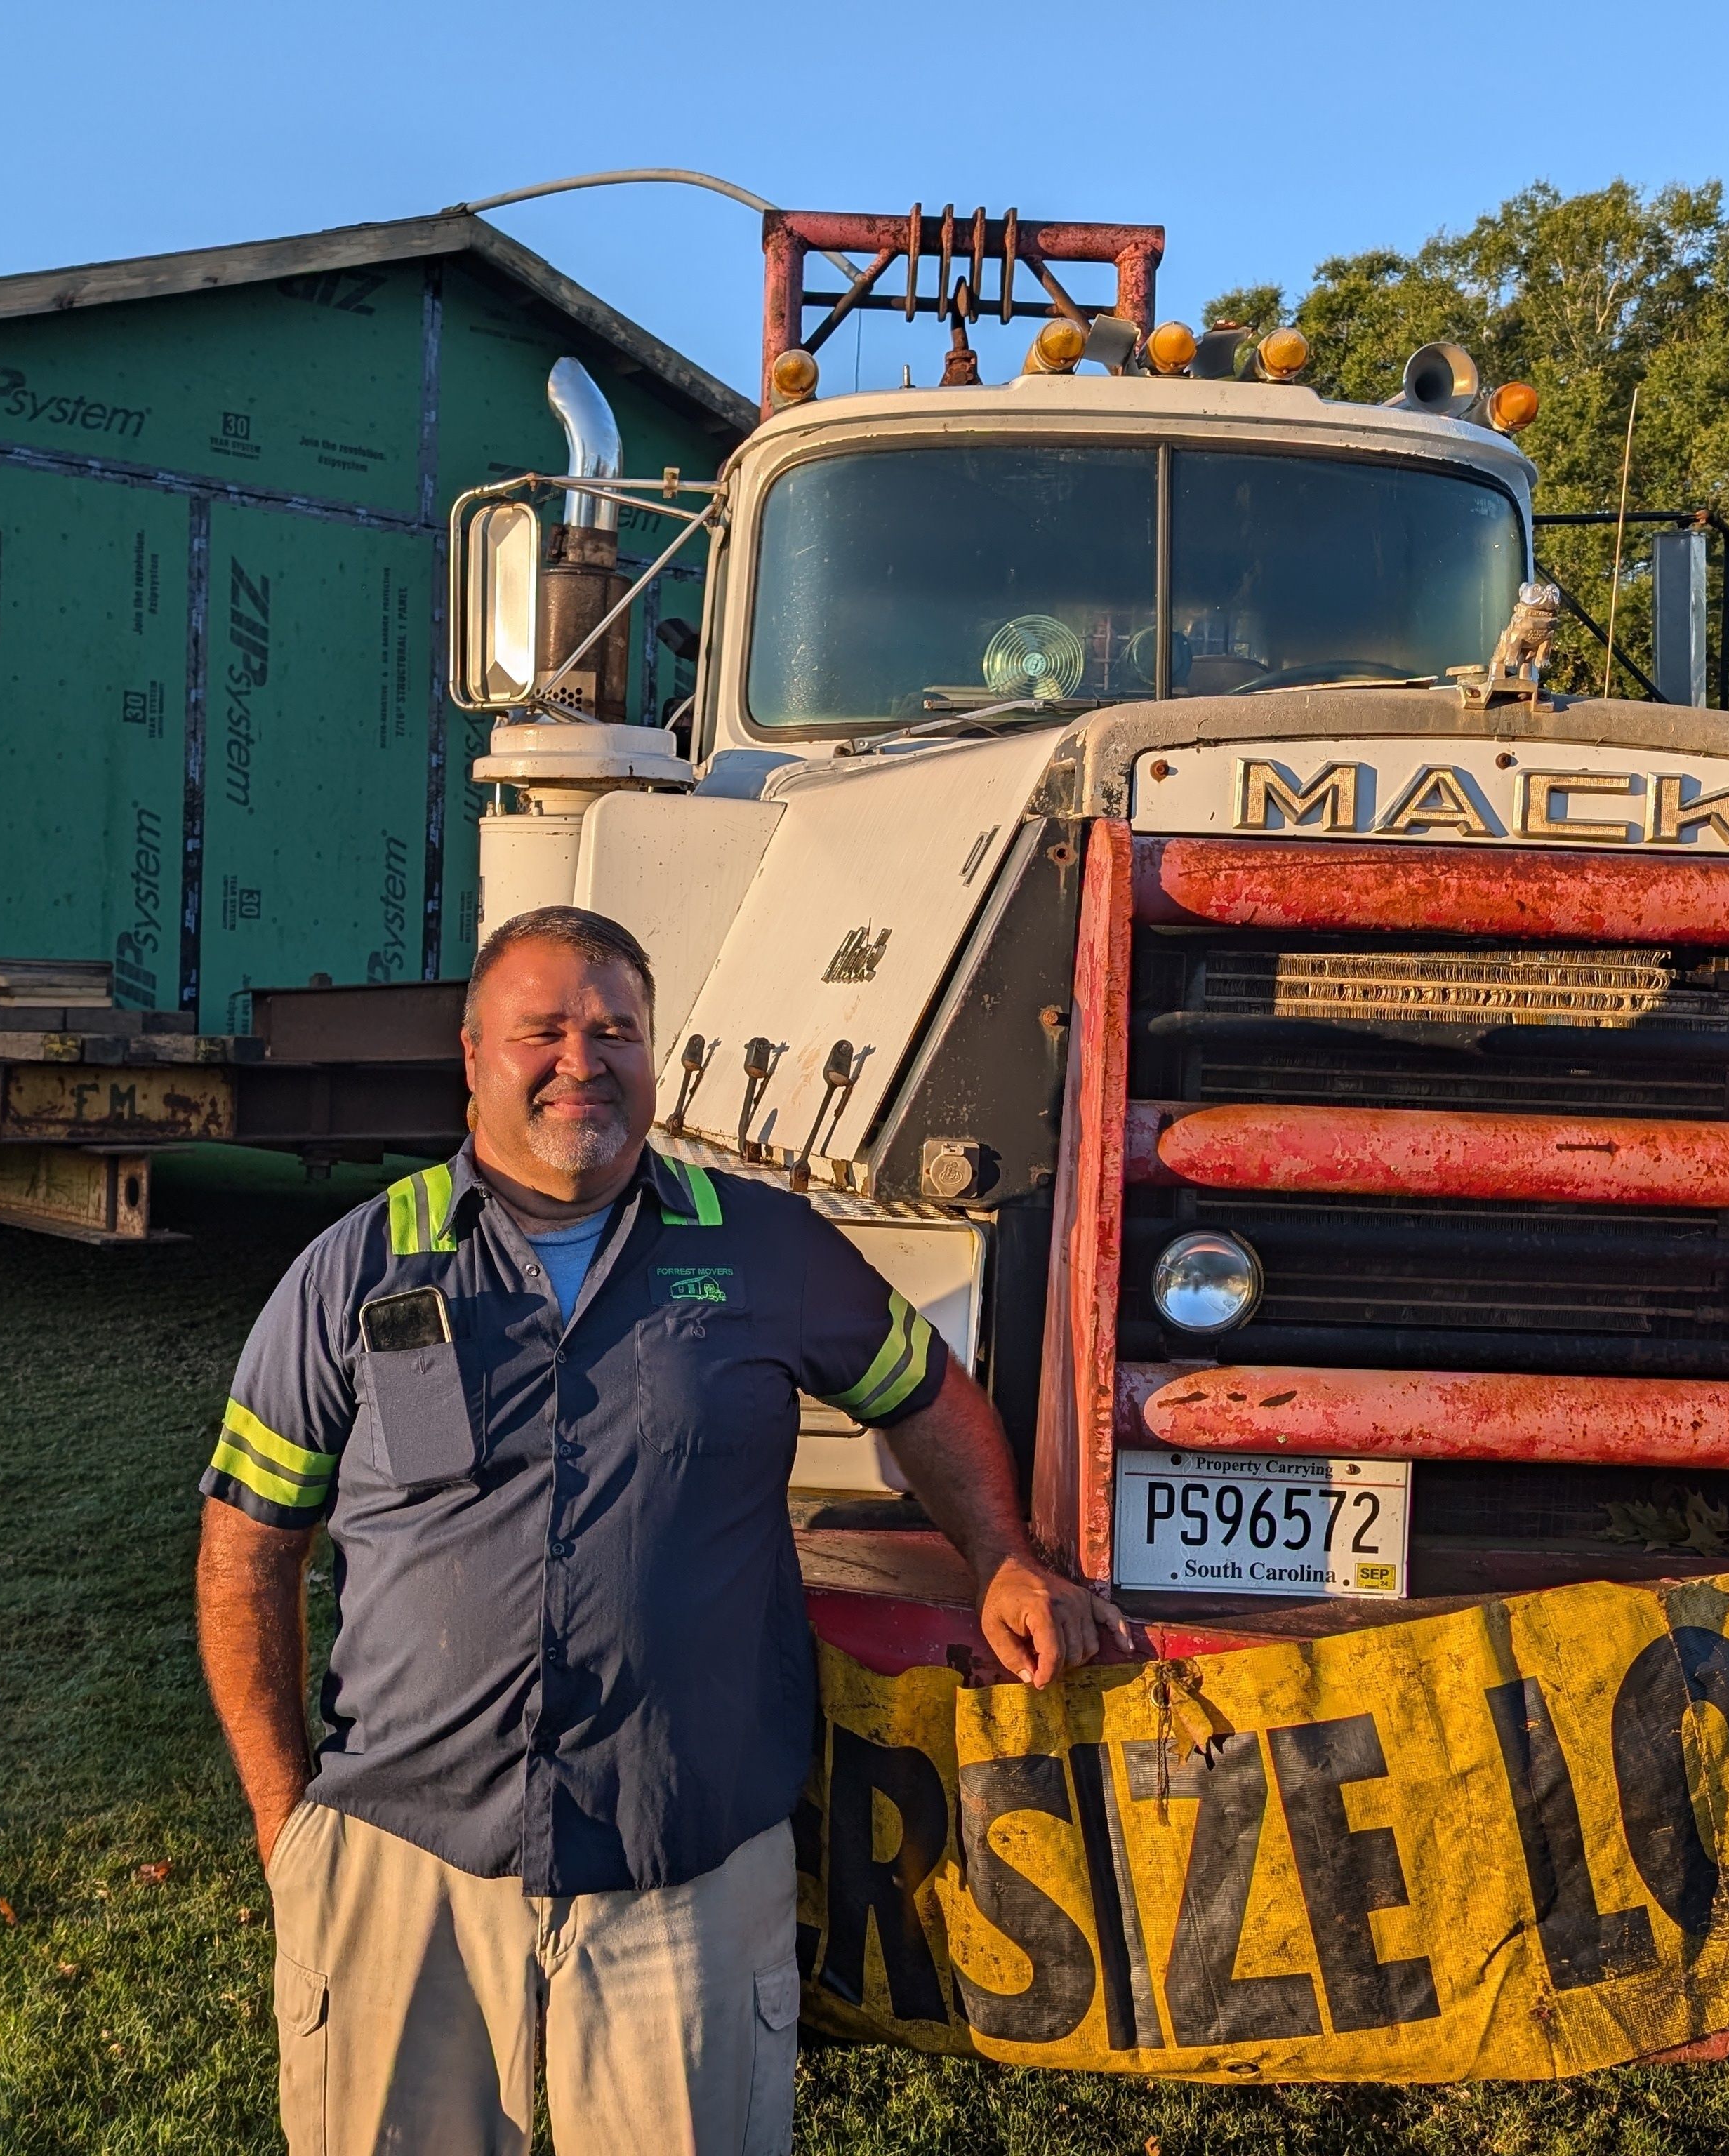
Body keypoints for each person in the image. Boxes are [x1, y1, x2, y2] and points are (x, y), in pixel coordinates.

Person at [196, 905, 1123, 2156]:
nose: (583, 1060)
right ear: (471, 1055)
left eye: (616, 1030)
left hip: (683, 1878)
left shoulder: (761, 1248)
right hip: (401, 1869)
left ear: (655, 1056)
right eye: (544, 1030)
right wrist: (282, 1821)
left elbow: (924, 1393)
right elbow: (248, 1549)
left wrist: (1001, 1554)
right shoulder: (357, 1271)